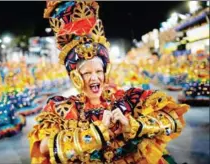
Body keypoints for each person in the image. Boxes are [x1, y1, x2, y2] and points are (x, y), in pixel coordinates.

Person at [28, 1, 189, 163]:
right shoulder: (63, 108)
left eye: (99, 71)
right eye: (87, 73)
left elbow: (173, 119)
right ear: (76, 77)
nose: (94, 78)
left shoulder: (126, 98)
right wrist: (97, 131)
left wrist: (133, 125)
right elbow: (44, 147)